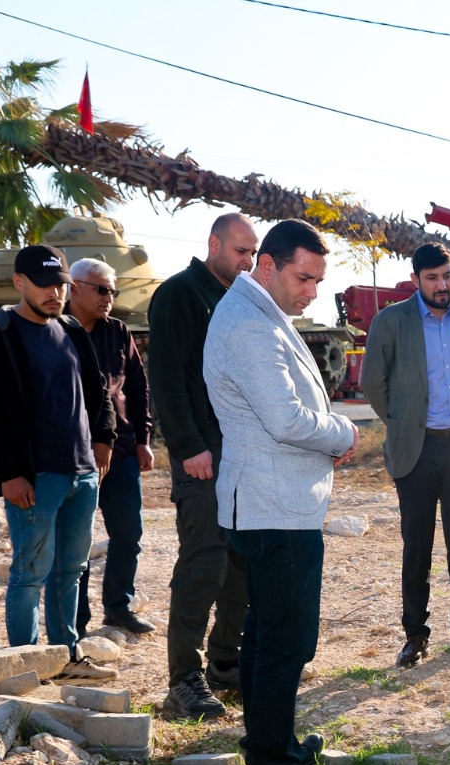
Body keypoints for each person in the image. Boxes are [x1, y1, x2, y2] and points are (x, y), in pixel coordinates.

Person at [204, 219, 360, 765]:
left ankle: (274, 746)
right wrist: (343, 430)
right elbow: (286, 418)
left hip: (274, 506)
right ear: (266, 265)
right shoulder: (248, 323)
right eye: (304, 277)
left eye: (319, 281)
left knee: (272, 638)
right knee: (283, 643)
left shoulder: (258, 312)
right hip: (273, 510)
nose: (312, 292)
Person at [0, 244, 118, 680]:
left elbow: (98, 392)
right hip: (34, 477)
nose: (55, 293)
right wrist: (8, 475)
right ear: (19, 282)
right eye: (45, 284)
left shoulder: (72, 328)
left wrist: (104, 440)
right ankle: (24, 666)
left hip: (82, 472)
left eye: (61, 284)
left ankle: (67, 657)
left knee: (70, 571)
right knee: (30, 573)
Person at [360, 242, 450, 668]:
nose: (442, 285)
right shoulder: (392, 321)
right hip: (417, 450)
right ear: (416, 281)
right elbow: (374, 382)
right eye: (432, 278)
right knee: (418, 547)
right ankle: (415, 634)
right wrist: (401, 422)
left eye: (447, 276)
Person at [147, 212, 257, 718]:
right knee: (202, 567)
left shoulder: (237, 299)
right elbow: (166, 378)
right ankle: (184, 680)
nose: (248, 260)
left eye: (253, 252)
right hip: (202, 462)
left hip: (241, 459)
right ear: (214, 244)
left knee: (242, 566)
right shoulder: (181, 294)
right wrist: (188, 446)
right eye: (240, 250)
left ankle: (225, 664)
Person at [67, 258, 156, 637]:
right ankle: (76, 619)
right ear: (74, 287)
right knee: (78, 541)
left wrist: (143, 441)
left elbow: (137, 388)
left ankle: (118, 608)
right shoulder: (55, 330)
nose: (109, 297)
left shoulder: (118, 332)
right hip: (72, 455)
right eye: (101, 289)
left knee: (127, 534)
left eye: (113, 291)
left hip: (119, 455)